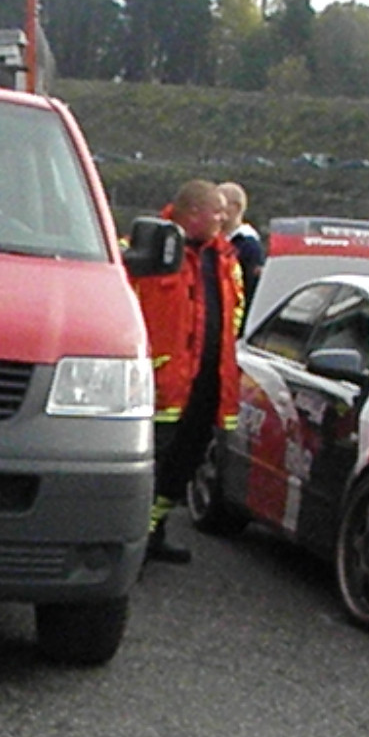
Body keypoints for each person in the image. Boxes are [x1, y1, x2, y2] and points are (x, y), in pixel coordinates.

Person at [132, 179, 244, 565]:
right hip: (162, 384)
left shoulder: (225, 257)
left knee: (186, 460)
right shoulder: (147, 250)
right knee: (152, 461)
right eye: (216, 211)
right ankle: (132, 539)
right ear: (194, 214)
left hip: (207, 382)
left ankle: (153, 530)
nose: (223, 217)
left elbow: (235, 312)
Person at [219, 180, 267, 318]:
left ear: (235, 207)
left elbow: (250, 290)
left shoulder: (248, 245)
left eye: (221, 204)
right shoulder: (214, 241)